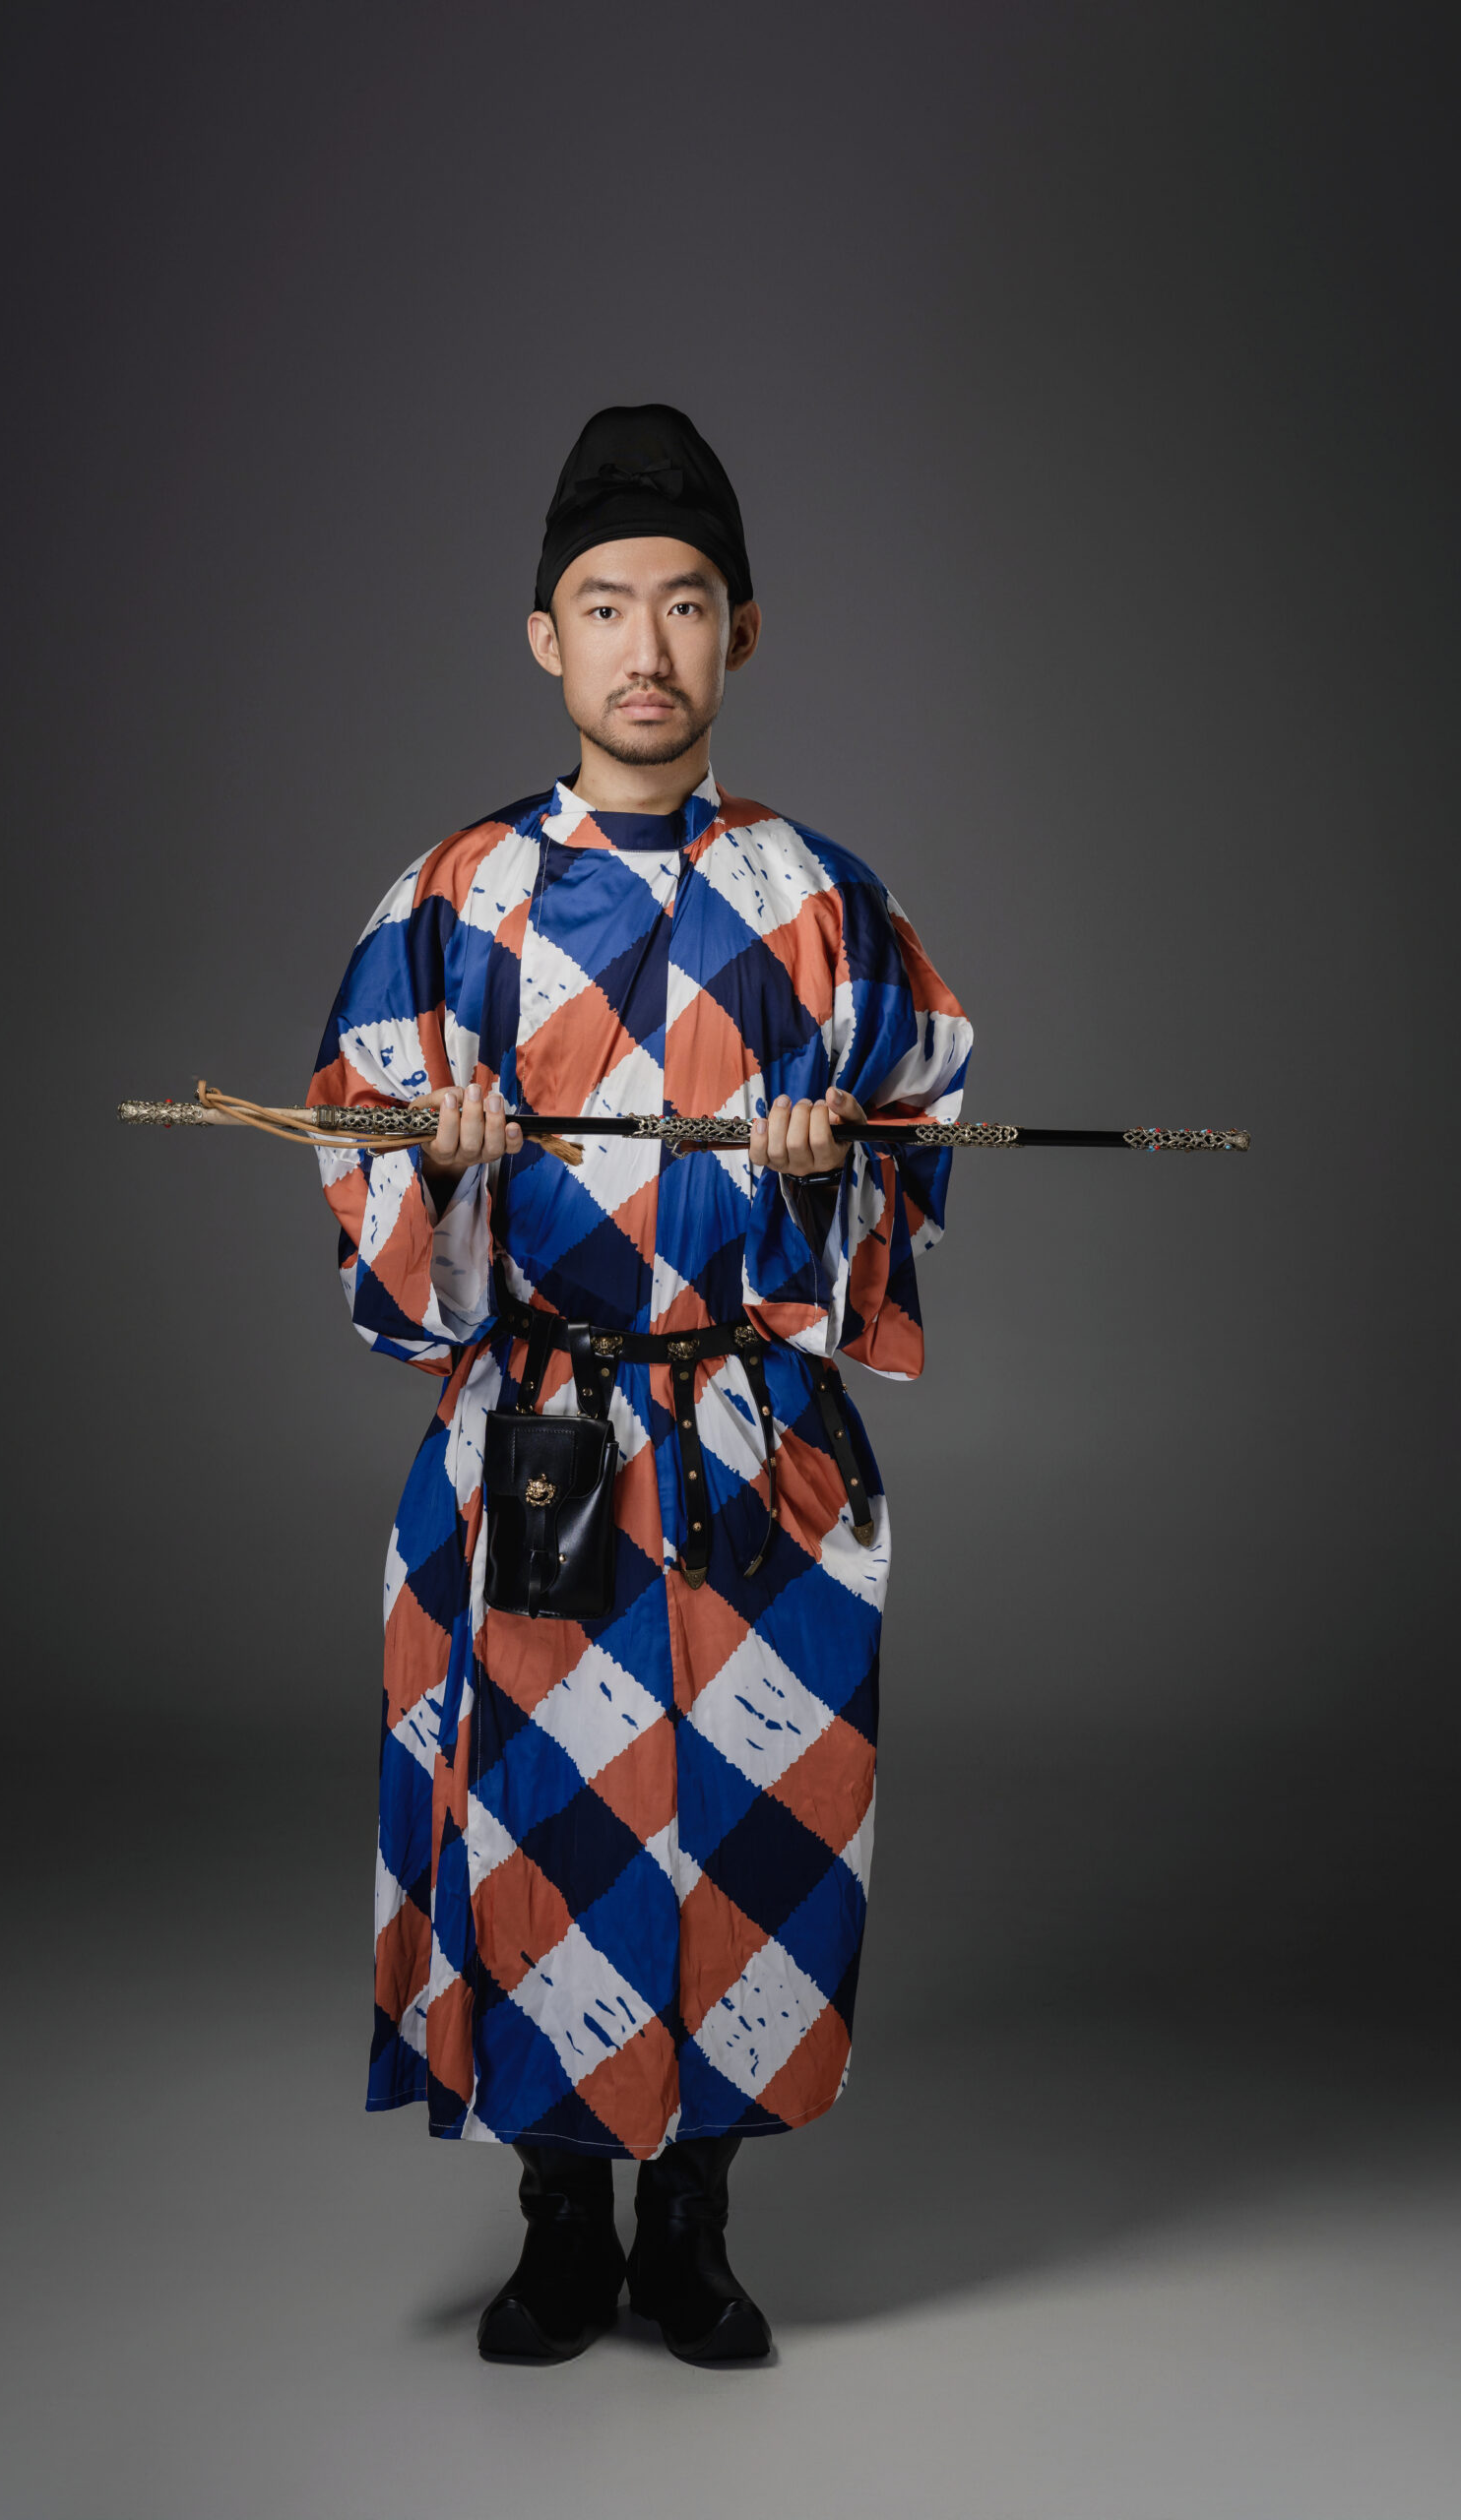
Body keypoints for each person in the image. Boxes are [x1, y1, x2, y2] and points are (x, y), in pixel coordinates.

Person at [308, 405, 972, 2365]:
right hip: (536, 1443)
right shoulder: (452, 898)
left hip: (754, 1441)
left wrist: (827, 1162)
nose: (645, 645)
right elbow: (361, 1156)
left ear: (738, 632)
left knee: (757, 1809)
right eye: (604, 604)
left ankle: (694, 2221)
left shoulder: (822, 900)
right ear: (546, 637)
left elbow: (917, 1120)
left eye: (685, 603)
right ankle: (556, 2224)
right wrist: (438, 1163)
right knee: (534, 1816)